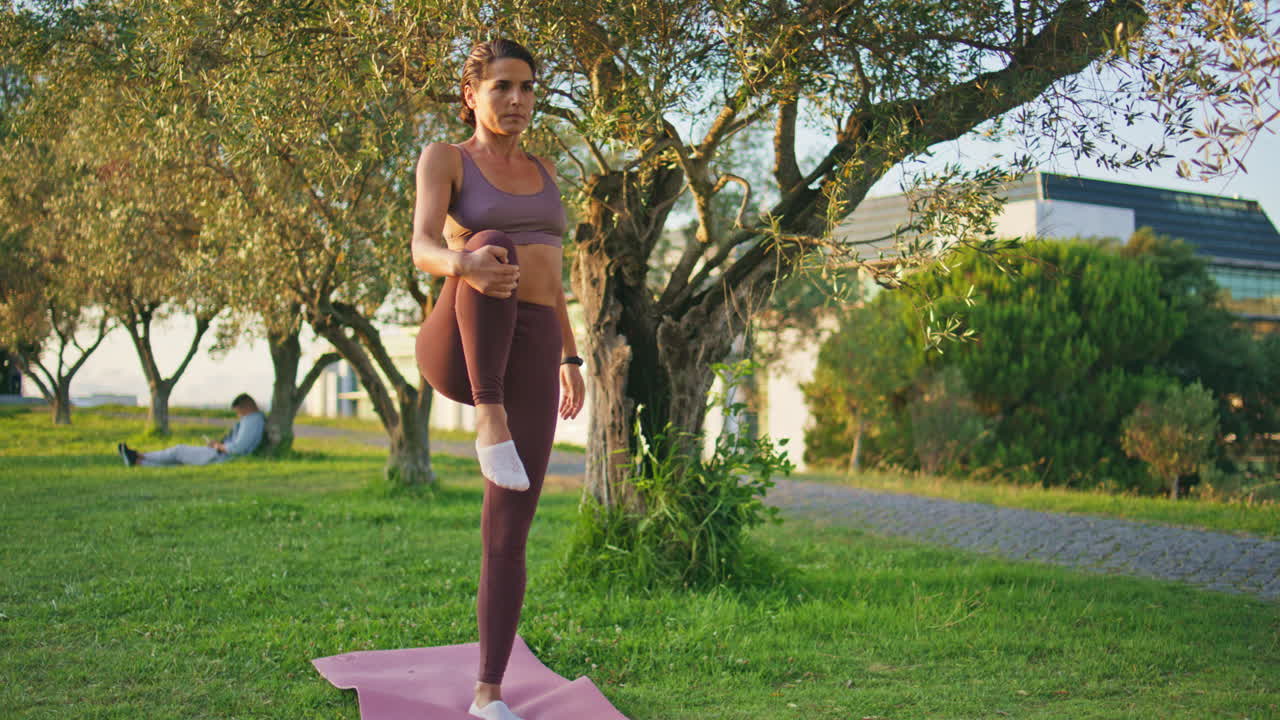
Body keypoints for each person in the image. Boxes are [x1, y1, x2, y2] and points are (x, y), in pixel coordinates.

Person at [412, 38, 585, 720]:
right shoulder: (446, 159)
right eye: (503, 87)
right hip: (460, 337)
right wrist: (465, 265)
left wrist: (568, 357)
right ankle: (488, 415)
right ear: (471, 95)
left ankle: (488, 693)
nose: (517, 100)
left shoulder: (545, 169)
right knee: (493, 247)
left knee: (510, 527)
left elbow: (555, 278)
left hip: (535, 343)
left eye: (528, 89)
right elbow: (423, 245)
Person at [117, 393, 266, 467]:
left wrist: (218, 446)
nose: (238, 415)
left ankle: (139, 456)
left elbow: (238, 448)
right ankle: (137, 460)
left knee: (179, 451)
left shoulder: (252, 421)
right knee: (177, 460)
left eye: (238, 411)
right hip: (221, 453)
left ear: (246, 406)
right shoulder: (250, 420)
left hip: (221, 456)